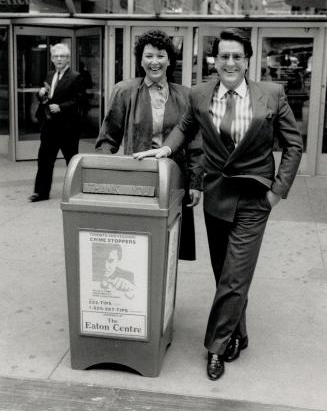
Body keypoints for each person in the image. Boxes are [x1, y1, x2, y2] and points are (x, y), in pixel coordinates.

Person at [133, 28, 303, 381]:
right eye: (223, 56)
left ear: (247, 60)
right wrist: (165, 148)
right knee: (226, 276)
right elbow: (185, 125)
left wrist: (277, 191)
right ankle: (239, 333)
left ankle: (215, 346)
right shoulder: (200, 95)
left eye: (237, 56)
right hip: (217, 198)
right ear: (215, 59)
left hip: (255, 199)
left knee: (235, 275)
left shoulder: (272, 94)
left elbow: (294, 145)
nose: (229, 62)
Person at [95, 29, 203, 260]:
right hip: (137, 178)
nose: (155, 62)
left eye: (161, 56)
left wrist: (196, 182)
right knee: (137, 242)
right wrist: (105, 177)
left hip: (175, 179)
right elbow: (108, 137)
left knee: (172, 241)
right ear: (141, 61)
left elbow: (195, 143)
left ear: (170, 60)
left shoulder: (185, 96)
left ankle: (163, 292)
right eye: (149, 56)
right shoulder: (125, 91)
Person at [29, 43, 85, 202]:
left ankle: (78, 191)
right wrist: (40, 94)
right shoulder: (49, 75)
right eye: (56, 56)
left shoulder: (76, 77)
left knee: (72, 161)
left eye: (63, 56)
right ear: (52, 59)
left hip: (68, 127)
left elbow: (80, 100)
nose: (59, 59)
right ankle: (40, 192)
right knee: (44, 161)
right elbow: (46, 98)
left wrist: (61, 107)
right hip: (49, 126)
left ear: (68, 59)